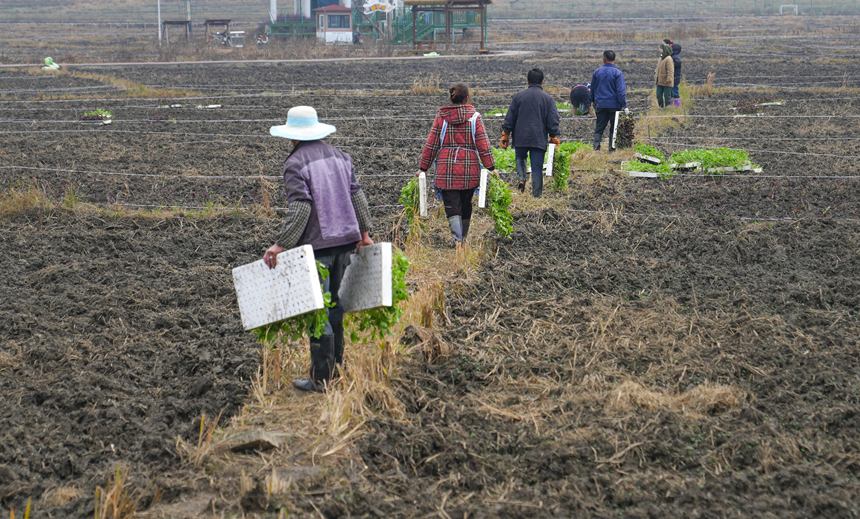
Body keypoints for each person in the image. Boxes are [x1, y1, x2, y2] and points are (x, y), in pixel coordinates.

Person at [263, 105, 375, 393]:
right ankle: (336, 370)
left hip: (319, 246)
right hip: (346, 242)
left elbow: (301, 207)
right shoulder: (341, 156)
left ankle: (321, 379)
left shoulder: (295, 163)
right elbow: (357, 196)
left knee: (318, 309)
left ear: (291, 134)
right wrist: (364, 235)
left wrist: (280, 244)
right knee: (335, 305)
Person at [417, 83, 495, 246]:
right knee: (466, 203)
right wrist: (491, 167)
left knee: (451, 204)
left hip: (446, 169)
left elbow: (431, 144)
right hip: (469, 169)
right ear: (467, 98)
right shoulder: (475, 118)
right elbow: (483, 145)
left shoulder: (441, 117)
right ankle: (463, 238)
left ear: (451, 98)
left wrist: (423, 168)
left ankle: (457, 238)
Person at [500, 68, 560, 197]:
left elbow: (510, 117)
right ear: (542, 81)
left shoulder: (518, 96)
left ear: (527, 81)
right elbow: (553, 120)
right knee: (537, 168)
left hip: (521, 136)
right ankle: (536, 196)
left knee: (520, 157)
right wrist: (553, 136)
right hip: (538, 138)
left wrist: (506, 134)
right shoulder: (548, 99)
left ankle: (522, 178)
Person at [589, 50, 628, 152]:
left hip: (600, 105)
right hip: (614, 105)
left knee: (599, 127)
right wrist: (624, 105)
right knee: (614, 128)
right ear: (614, 59)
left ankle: (596, 149)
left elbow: (592, 89)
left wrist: (591, 102)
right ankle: (611, 149)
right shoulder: (617, 73)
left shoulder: (597, 72)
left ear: (604, 59)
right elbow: (620, 91)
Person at [655, 42, 675, 109]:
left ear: (665, 50)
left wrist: (669, 80)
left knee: (667, 96)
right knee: (658, 95)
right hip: (659, 81)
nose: (660, 50)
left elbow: (670, 71)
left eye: (661, 49)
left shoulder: (669, 59)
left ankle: (667, 109)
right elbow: (657, 68)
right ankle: (661, 108)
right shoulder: (660, 58)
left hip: (666, 82)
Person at [663, 39, 683, 107]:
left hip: (674, 78)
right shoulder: (672, 57)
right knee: (671, 93)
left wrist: (670, 65)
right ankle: (670, 106)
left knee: (675, 93)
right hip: (672, 78)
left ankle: (677, 106)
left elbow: (678, 63)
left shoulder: (675, 57)